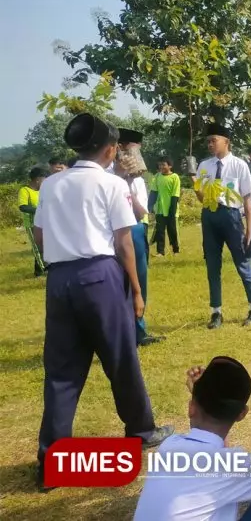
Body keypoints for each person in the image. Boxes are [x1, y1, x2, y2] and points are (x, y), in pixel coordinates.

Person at [33, 113, 173, 491]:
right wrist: (137, 291)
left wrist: (61, 263)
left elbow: (39, 233)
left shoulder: (51, 185)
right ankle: (141, 430)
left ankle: (51, 462)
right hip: (99, 275)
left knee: (62, 371)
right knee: (121, 357)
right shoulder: (110, 184)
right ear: (110, 149)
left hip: (59, 279)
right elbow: (124, 241)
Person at [133, 350, 251, 520]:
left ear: (191, 407)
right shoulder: (233, 465)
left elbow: (210, 445)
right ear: (242, 414)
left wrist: (199, 395)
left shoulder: (168, 446)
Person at [193, 123, 251, 329]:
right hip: (210, 215)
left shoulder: (239, 165)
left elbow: (247, 199)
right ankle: (216, 312)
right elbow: (202, 198)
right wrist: (194, 181)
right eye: (208, 141)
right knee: (213, 264)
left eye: (214, 140)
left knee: (242, 262)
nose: (210, 144)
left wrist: (250, 228)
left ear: (226, 141)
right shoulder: (204, 165)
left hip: (231, 216)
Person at [116, 129, 164, 347]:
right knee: (119, 283)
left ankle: (138, 329)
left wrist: (127, 183)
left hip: (137, 229)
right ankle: (122, 332)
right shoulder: (109, 175)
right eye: (129, 148)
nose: (134, 154)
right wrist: (120, 180)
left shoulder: (138, 179)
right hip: (119, 231)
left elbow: (141, 211)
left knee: (139, 281)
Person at [149, 156, 182, 256]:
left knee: (172, 231)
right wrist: (150, 206)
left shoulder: (175, 177)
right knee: (160, 231)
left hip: (171, 209)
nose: (161, 167)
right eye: (159, 165)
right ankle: (160, 252)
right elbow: (153, 192)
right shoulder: (157, 177)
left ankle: (176, 250)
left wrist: (172, 209)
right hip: (160, 210)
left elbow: (175, 194)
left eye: (163, 164)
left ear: (170, 166)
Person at [19, 166, 48, 277]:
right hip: (31, 224)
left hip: (43, 223)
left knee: (44, 247)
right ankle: (44, 271)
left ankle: (38, 271)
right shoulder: (25, 190)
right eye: (43, 180)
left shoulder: (42, 191)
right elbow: (23, 207)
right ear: (37, 179)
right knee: (37, 248)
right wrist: (39, 211)